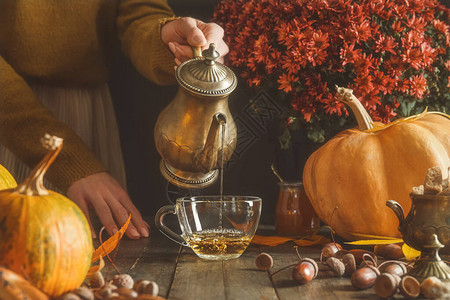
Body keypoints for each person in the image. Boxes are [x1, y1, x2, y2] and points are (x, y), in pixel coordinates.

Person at [0, 0, 228, 239]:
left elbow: (139, 11)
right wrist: (71, 163)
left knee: (98, 254)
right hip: (10, 119)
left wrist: (168, 41)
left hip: (89, 116)